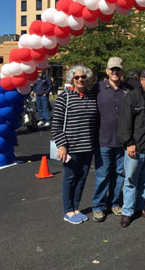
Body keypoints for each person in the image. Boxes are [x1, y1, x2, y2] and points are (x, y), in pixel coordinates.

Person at [51, 65, 98, 224]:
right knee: (70, 178)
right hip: (71, 147)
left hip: (88, 146)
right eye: (77, 77)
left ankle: (76, 207)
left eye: (83, 77)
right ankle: (68, 210)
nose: (80, 80)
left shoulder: (92, 96)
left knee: (82, 178)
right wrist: (62, 145)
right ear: (72, 79)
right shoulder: (65, 97)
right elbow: (56, 124)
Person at [118, 68, 145, 227]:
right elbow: (124, 122)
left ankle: (140, 206)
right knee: (131, 180)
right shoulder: (133, 96)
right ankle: (127, 211)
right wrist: (129, 143)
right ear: (141, 80)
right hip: (135, 147)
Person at [91, 57, 132, 222]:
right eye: (112, 69)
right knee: (102, 175)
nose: (115, 72)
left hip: (122, 140)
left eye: (118, 69)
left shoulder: (128, 90)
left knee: (119, 174)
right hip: (103, 140)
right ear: (107, 71)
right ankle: (98, 206)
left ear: (122, 71)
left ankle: (114, 203)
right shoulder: (97, 88)